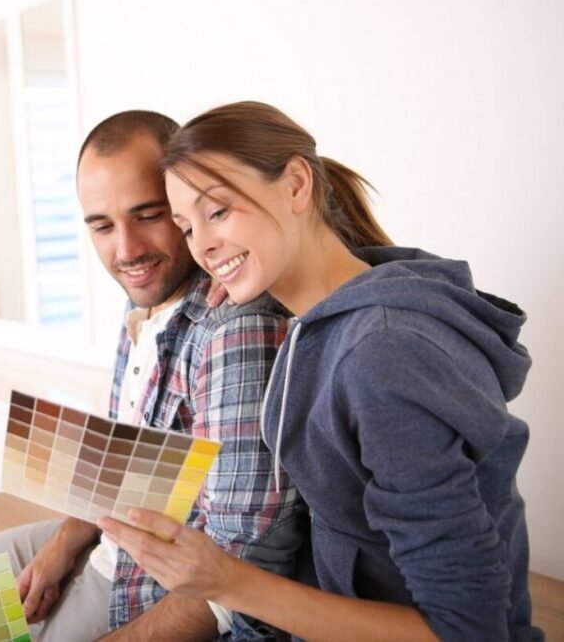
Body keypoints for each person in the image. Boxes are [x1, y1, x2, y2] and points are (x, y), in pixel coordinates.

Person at [99, 101, 543, 641]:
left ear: (296, 185)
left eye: (218, 212)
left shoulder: (381, 354)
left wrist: (226, 580)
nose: (203, 248)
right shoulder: (318, 321)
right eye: (187, 228)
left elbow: (467, 631)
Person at [0, 110, 304, 640]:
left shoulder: (233, 328)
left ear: (181, 202)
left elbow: (247, 564)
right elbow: (127, 467)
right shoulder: (141, 305)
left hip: (147, 593)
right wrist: (63, 546)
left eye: (148, 215)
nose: (125, 250)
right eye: (102, 226)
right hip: (107, 544)